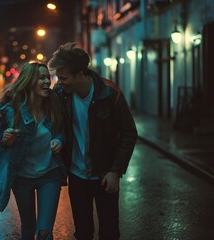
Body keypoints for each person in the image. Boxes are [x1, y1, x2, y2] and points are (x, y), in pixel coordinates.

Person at [48, 42, 137, 240]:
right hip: (77, 175)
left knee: (109, 231)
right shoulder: (61, 94)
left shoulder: (110, 93)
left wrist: (115, 171)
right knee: (83, 232)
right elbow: (35, 103)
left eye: (63, 78)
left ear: (80, 74)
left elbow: (129, 133)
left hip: (105, 174)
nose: (60, 82)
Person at [0, 62, 66, 240]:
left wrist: (59, 140)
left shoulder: (53, 104)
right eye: (41, 78)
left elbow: (62, 129)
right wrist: (5, 138)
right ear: (29, 81)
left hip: (50, 174)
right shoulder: (12, 110)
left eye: (47, 77)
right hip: (22, 177)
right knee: (28, 227)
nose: (47, 81)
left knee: (44, 231)